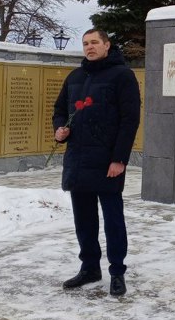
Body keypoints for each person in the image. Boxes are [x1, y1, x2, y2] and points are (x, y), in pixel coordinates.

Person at [52, 28, 141, 296]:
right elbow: (59, 110)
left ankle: (117, 272)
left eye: (94, 43)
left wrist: (119, 159)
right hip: (78, 161)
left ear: (106, 45)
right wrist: (60, 131)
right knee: (84, 220)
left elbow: (129, 120)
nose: (89, 47)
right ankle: (89, 267)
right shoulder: (75, 76)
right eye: (85, 43)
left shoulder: (123, 76)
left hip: (107, 163)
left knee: (113, 220)